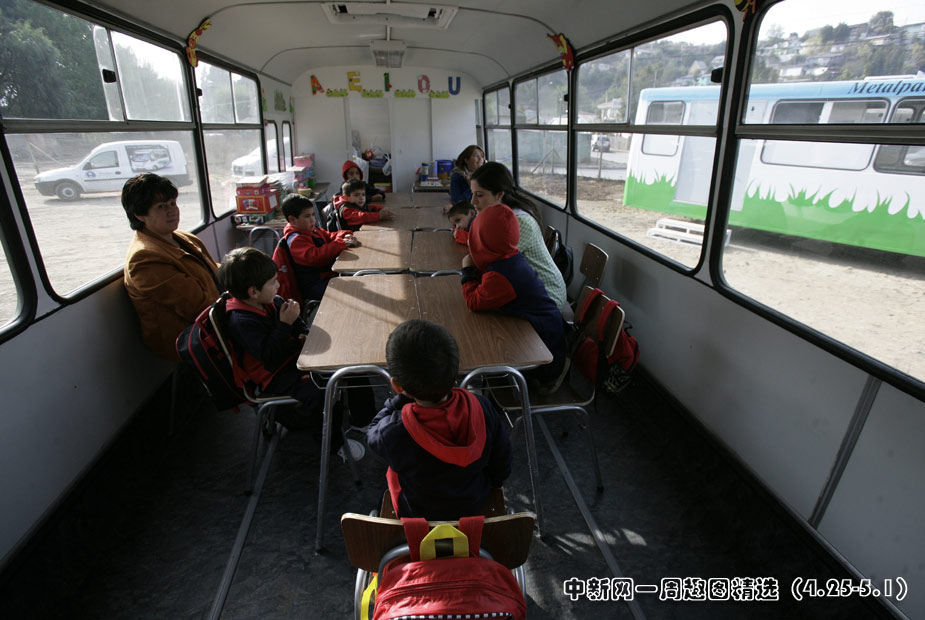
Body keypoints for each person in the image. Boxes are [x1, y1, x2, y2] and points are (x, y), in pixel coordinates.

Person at [367, 319, 512, 520]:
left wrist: (399, 400)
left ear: (398, 386)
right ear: (456, 371)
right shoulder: (482, 407)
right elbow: (502, 459)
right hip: (474, 506)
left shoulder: (393, 431)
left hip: (416, 515)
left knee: (383, 492)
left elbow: (372, 434)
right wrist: (495, 485)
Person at [460, 204, 568, 392]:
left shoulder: (502, 275)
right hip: (541, 331)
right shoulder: (509, 258)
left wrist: (468, 271)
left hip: (542, 349)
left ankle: (549, 378)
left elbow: (473, 302)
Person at [122, 173, 220, 361]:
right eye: (161, 207)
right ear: (140, 215)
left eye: (173, 203)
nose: (172, 211)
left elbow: (212, 270)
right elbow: (196, 307)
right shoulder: (144, 259)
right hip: (192, 339)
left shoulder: (182, 237)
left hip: (213, 317)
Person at [469, 162, 569, 315]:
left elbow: (487, 258)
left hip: (548, 296)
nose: (472, 201)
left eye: (480, 195)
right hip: (524, 290)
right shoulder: (497, 216)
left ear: (499, 194)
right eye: (472, 194)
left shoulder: (518, 222)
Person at [272, 194, 359, 303]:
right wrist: (341, 244)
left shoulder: (311, 229)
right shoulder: (295, 240)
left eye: (313, 215)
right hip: (315, 285)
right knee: (354, 290)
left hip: (327, 276)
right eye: (307, 216)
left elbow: (329, 236)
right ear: (292, 219)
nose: (313, 220)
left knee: (358, 280)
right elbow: (315, 256)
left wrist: (344, 235)